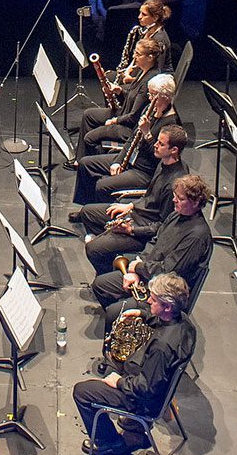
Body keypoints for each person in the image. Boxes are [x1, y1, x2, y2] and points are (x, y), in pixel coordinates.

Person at [73, 273, 195, 455]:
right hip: (158, 387)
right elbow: (163, 324)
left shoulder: (162, 348)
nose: (148, 301)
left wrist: (119, 382)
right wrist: (143, 314)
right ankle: (135, 429)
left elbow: (146, 388)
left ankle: (110, 443)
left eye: (153, 300)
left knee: (82, 392)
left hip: (145, 402)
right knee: (115, 360)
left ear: (167, 307)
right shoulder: (185, 323)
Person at [91, 174, 211, 325]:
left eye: (180, 198)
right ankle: (129, 320)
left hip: (165, 294)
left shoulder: (196, 237)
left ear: (195, 202)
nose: (174, 200)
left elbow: (169, 271)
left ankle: (135, 321)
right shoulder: (176, 215)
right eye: (175, 196)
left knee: (113, 313)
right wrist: (137, 267)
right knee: (100, 285)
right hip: (150, 273)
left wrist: (139, 268)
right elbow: (155, 241)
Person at [74, 124, 190, 269]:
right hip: (136, 214)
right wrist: (130, 206)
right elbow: (148, 196)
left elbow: (162, 225)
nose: (155, 145)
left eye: (161, 144)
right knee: (87, 213)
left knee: (93, 249)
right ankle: (111, 256)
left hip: (143, 231)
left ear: (174, 150)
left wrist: (131, 230)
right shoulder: (163, 162)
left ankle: (110, 274)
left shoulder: (174, 184)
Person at [76, 71, 183, 204]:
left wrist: (147, 134)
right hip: (131, 158)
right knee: (85, 164)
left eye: (153, 95)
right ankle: (87, 208)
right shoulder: (150, 110)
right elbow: (132, 138)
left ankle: (103, 213)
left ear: (165, 96)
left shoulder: (171, 124)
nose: (150, 98)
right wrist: (118, 161)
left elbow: (158, 157)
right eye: (149, 94)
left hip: (144, 171)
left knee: (102, 186)